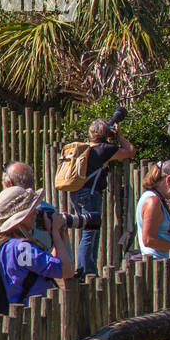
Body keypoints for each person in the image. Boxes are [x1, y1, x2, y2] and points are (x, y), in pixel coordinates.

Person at [0, 186, 75, 303]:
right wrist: (55, 234)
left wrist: (59, 237)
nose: (36, 212)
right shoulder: (22, 248)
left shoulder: (3, 244)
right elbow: (66, 271)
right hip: (31, 314)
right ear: (20, 218)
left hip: (17, 312)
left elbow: (49, 265)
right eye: (31, 209)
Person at [71, 118, 136, 277]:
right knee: (90, 232)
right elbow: (130, 151)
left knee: (89, 231)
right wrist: (119, 135)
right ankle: (84, 271)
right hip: (91, 194)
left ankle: (88, 269)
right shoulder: (105, 150)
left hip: (75, 192)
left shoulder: (85, 148)